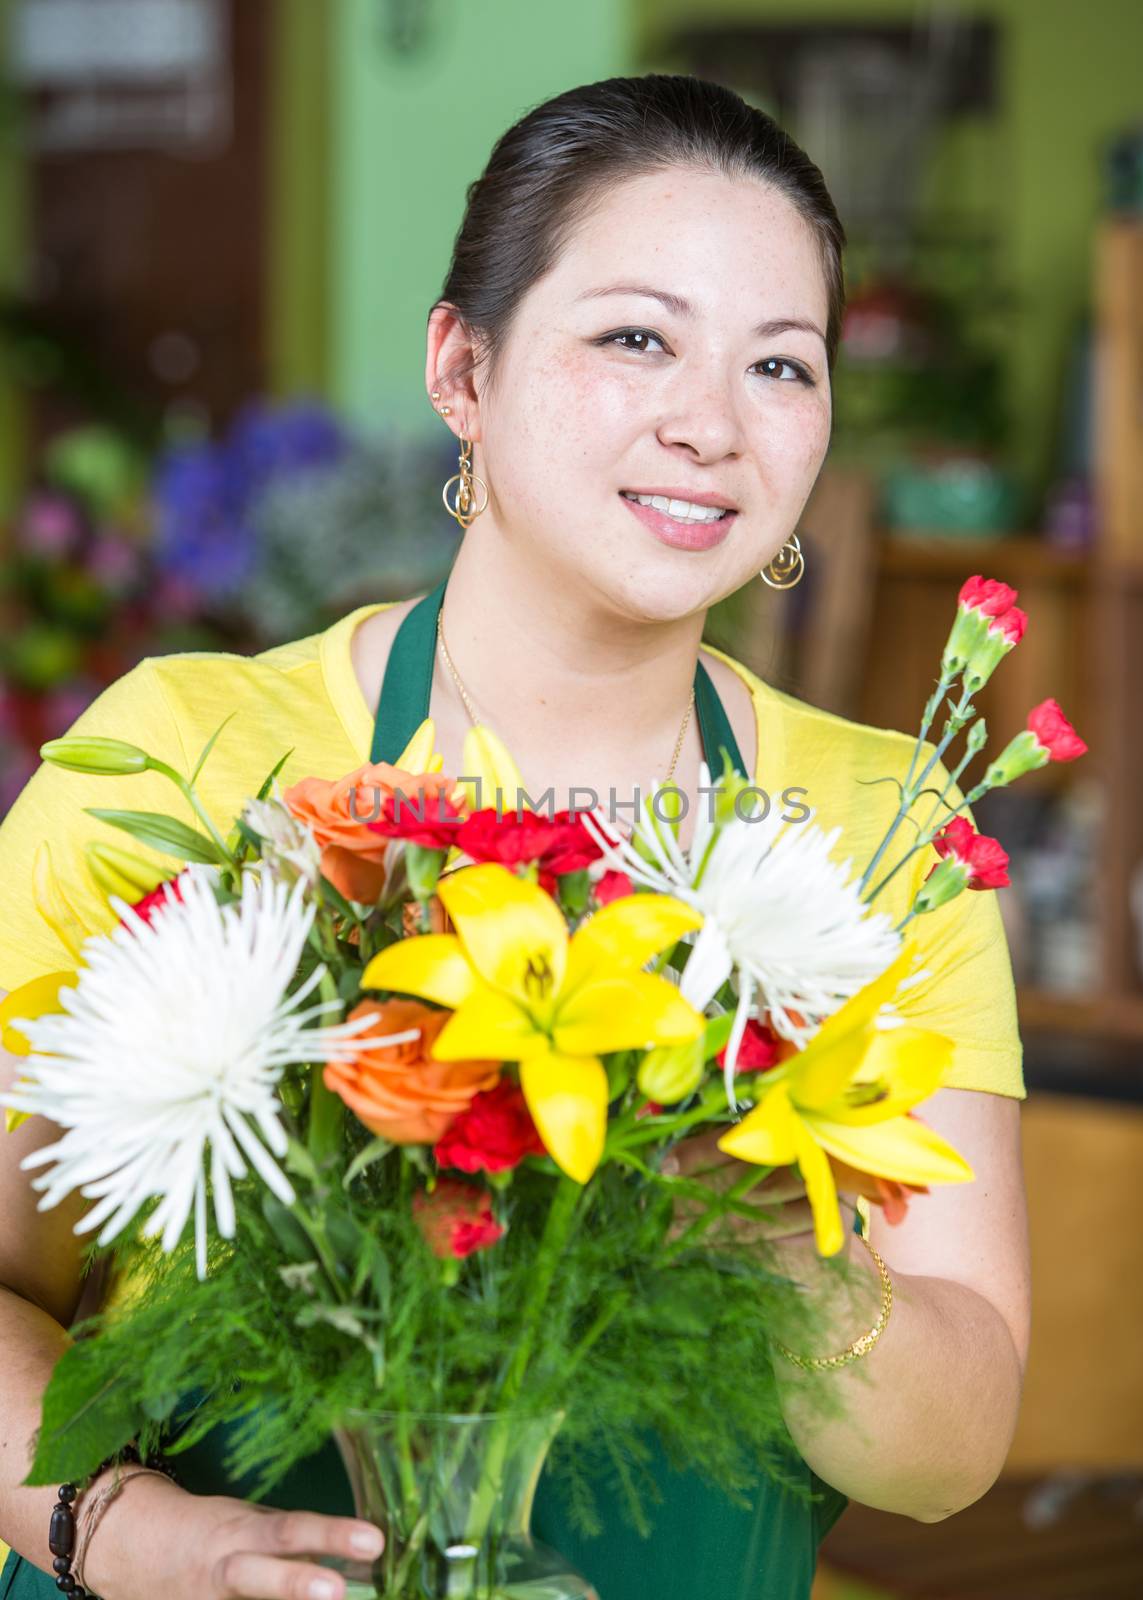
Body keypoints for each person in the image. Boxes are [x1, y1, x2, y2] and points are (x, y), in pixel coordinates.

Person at [0, 74, 1029, 1600]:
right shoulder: (187, 761)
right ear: (461, 368)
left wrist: (729, 1210)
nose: (710, 425)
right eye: (634, 338)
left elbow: (955, 1445)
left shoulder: (881, 834)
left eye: (782, 367)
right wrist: (124, 1532)